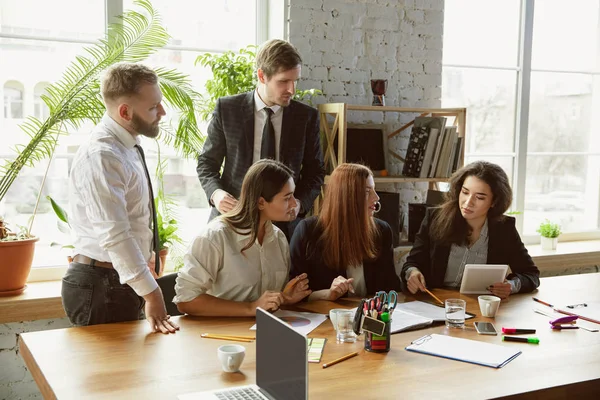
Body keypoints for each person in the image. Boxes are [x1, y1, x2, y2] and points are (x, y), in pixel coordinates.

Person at [62, 63, 178, 333]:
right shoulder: (102, 156)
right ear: (125, 112)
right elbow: (115, 235)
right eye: (153, 107)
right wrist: (152, 294)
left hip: (114, 281)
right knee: (111, 376)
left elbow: (133, 216)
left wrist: (146, 259)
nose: (162, 112)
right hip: (101, 287)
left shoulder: (126, 145)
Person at [196, 39, 325, 240]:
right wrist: (216, 194)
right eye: (283, 81)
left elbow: (315, 172)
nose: (291, 89)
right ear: (262, 75)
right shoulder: (227, 110)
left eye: (295, 81)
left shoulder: (306, 117)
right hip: (231, 221)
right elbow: (206, 163)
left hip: (286, 229)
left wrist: (298, 203)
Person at [175, 159, 311, 317]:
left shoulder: (279, 239)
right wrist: (250, 308)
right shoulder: (215, 237)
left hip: (262, 333)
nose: (295, 204)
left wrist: (285, 298)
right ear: (261, 202)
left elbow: (263, 301)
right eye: (287, 198)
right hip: (219, 336)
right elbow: (186, 300)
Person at [401, 161, 540, 299]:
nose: (468, 202)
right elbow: (411, 264)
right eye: (465, 192)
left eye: (479, 197)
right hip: (436, 302)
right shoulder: (434, 218)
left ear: (494, 202)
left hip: (481, 307)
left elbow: (531, 274)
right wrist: (412, 273)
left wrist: (511, 286)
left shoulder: (504, 229)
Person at [289, 163, 401, 301]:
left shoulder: (382, 231)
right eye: (367, 192)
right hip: (325, 318)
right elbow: (293, 292)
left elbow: (391, 287)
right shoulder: (308, 231)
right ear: (346, 197)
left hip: (371, 318)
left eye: (374, 190)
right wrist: (328, 294)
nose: (376, 197)